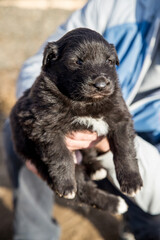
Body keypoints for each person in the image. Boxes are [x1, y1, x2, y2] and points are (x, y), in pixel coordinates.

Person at [3, 0, 160, 239]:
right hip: (66, 134)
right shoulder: (118, 6)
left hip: (146, 172)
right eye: (78, 62)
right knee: (16, 128)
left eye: (108, 63)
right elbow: (39, 64)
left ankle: (131, 219)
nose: (101, 79)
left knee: (153, 225)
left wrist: (105, 145)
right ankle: (34, 233)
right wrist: (41, 112)